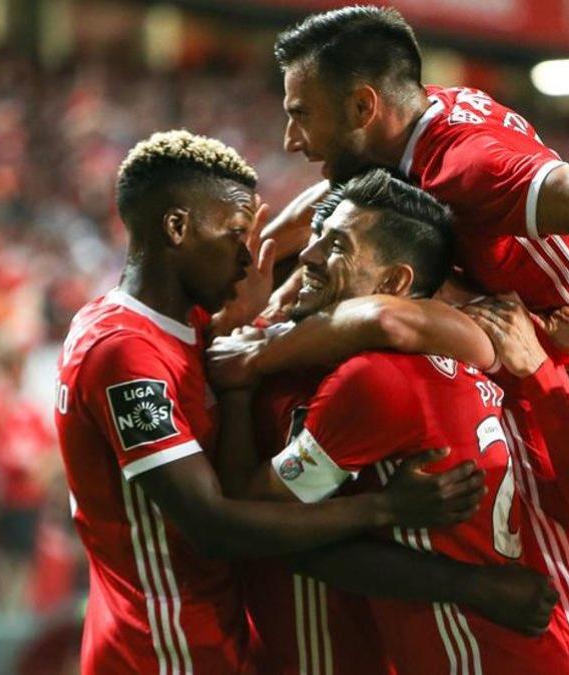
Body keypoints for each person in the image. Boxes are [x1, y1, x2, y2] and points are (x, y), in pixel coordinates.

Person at [246, 6, 569, 672]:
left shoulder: (462, 167)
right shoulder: (431, 118)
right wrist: (282, 235)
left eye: (302, 114)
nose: (292, 138)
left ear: (362, 105)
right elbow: (353, 188)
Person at [53, 131, 485, 674]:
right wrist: (389, 508)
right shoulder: (123, 352)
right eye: (237, 233)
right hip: (159, 650)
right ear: (177, 228)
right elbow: (214, 527)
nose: (251, 253)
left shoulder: (193, 329)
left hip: (213, 641)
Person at [225, 169, 569, 674]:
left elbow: (256, 518)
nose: (307, 256)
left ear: (393, 283)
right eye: (318, 238)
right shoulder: (448, 358)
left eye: (337, 245)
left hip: (474, 655)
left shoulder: (374, 381)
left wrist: (239, 380)